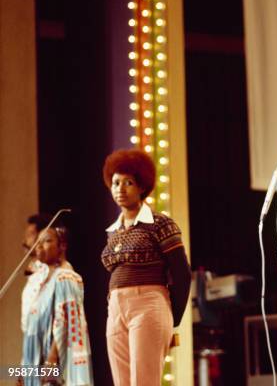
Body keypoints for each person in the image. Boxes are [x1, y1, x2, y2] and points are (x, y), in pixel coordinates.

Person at [101, 149, 191, 386]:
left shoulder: (160, 224)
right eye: (115, 182)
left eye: (128, 182)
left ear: (142, 186)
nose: (120, 189)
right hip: (116, 309)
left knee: (144, 382)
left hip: (148, 305)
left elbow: (182, 274)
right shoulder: (114, 231)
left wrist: (174, 319)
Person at [21, 223, 94, 385]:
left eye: (47, 241)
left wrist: (52, 359)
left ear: (62, 246)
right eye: (38, 241)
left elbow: (67, 321)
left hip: (51, 354)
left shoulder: (65, 277)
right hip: (33, 355)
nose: (39, 245)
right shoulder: (38, 282)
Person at [21, 214, 52, 336]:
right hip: (31, 337)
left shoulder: (50, 270)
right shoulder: (35, 269)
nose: (24, 241)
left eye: (30, 235)